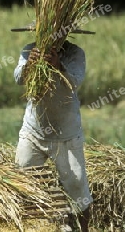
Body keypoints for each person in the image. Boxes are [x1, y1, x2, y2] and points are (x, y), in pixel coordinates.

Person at [11, 21, 94, 232]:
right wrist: (30, 64)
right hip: (34, 131)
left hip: (66, 132)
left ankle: (84, 229)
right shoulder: (30, 50)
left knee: (77, 186)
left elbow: (74, 82)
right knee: (24, 177)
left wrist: (58, 66)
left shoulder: (75, 54)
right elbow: (18, 78)